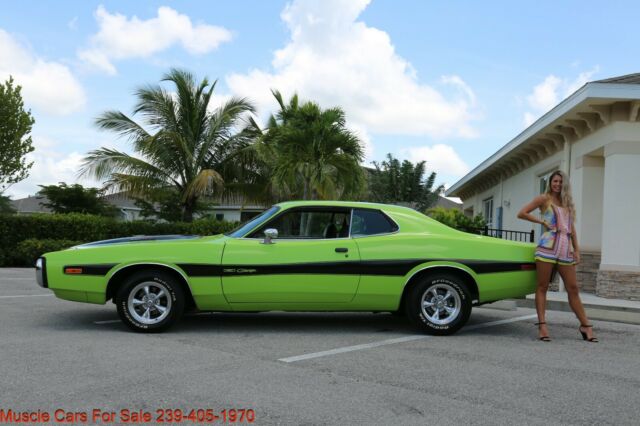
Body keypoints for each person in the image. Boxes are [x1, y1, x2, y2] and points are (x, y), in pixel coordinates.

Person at [517, 170, 598, 342]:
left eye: (561, 182)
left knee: (573, 288)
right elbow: (522, 213)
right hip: (547, 247)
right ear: (550, 182)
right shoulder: (543, 198)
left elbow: (572, 229)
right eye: (555, 181)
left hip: (564, 250)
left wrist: (576, 249)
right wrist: (541, 221)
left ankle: (585, 324)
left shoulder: (567, 202)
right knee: (542, 287)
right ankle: (542, 325)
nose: (558, 184)